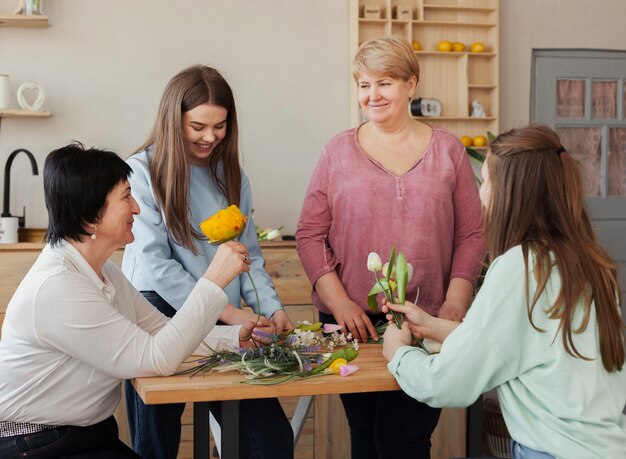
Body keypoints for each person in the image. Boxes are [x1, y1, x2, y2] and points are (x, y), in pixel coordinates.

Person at [383, 124, 626, 459]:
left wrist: (399, 354)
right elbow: (535, 346)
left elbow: (447, 383)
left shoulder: (521, 267)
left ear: (511, 191)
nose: (482, 195)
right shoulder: (591, 263)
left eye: (486, 181)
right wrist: (436, 326)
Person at [296, 36, 485, 458]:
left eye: (384, 83)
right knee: (363, 436)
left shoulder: (448, 151)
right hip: (351, 325)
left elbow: (471, 235)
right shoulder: (337, 150)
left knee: (403, 440)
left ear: (411, 84)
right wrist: (340, 303)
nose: (372, 95)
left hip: (424, 322)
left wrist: (454, 304)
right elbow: (309, 234)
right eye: (364, 85)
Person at [0, 143, 252, 458]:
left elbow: (161, 329)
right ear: (90, 218)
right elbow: (157, 358)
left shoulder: (104, 271)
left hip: (84, 434)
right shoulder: (57, 287)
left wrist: (239, 338)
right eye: (125, 197)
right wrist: (213, 281)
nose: (137, 208)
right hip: (36, 443)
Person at [122, 64, 294, 459]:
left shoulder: (232, 174)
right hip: (156, 313)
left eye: (220, 126)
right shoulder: (142, 171)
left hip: (223, 314)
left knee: (269, 440)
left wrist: (272, 307)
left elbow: (249, 252)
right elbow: (154, 265)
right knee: (157, 445)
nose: (210, 137)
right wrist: (230, 312)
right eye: (197, 126)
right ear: (173, 119)